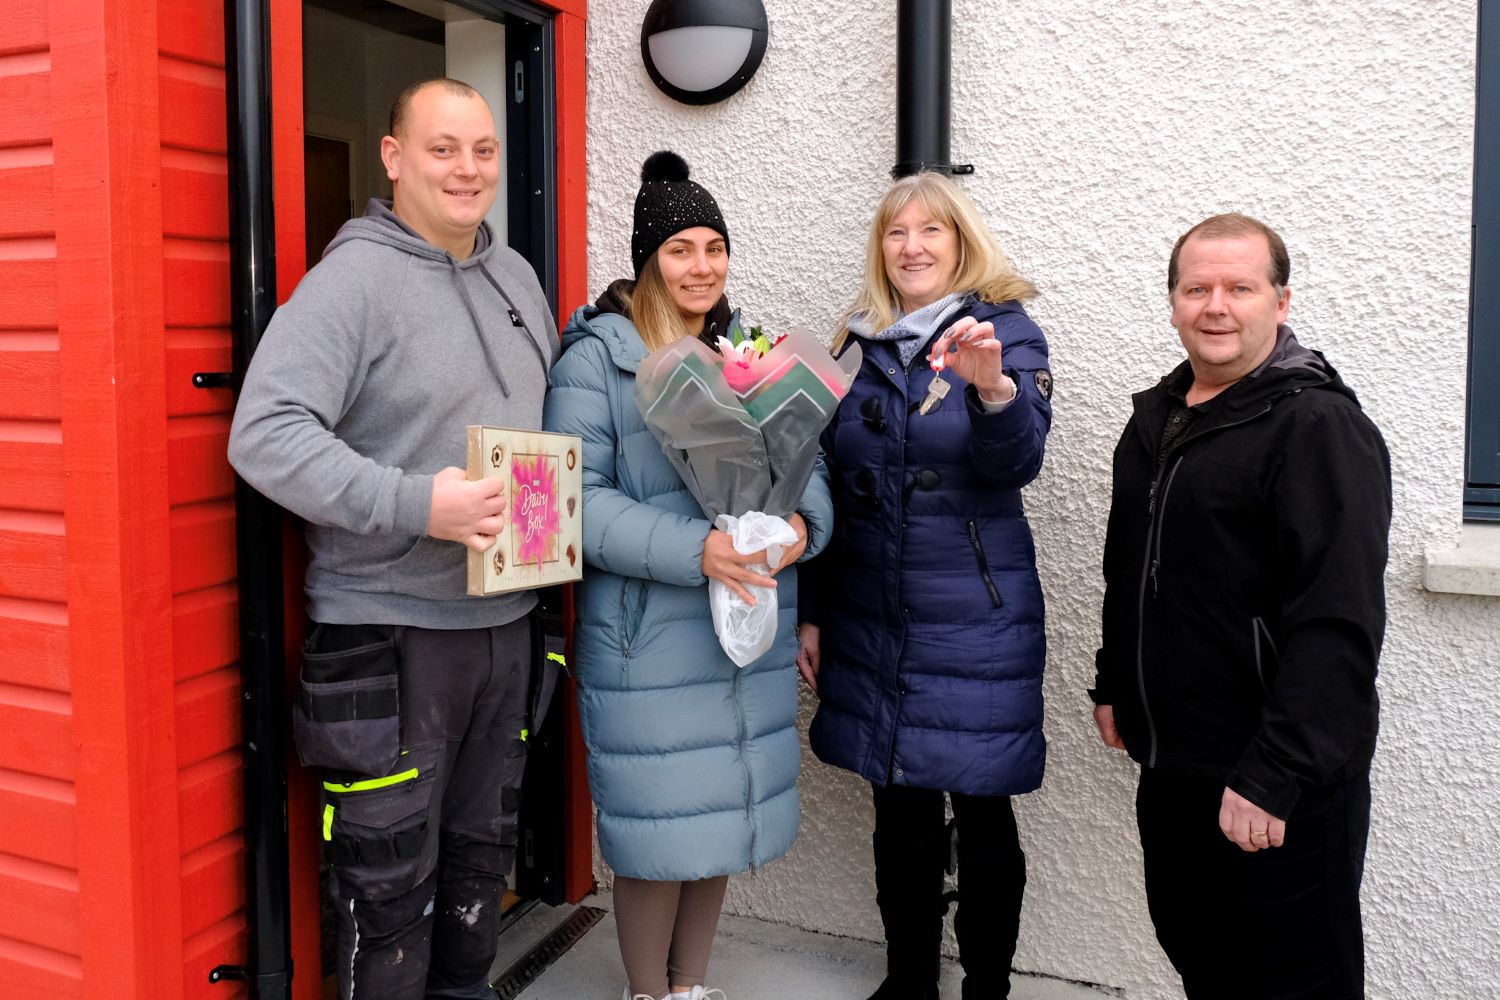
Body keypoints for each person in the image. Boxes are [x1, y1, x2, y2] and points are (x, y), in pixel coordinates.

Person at [227, 78, 557, 999]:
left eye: (483, 150)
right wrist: (419, 505)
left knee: (477, 871)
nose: (467, 169)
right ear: (394, 156)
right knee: (389, 895)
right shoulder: (352, 284)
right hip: (390, 638)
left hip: (505, 623)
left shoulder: (516, 277)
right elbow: (265, 436)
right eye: (442, 148)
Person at [542, 151, 832, 1000]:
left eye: (714, 246)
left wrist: (804, 528)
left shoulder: (751, 350)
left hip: (744, 622)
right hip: (649, 634)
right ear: (646, 262)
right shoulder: (599, 359)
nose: (701, 266)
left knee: (721, 812)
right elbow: (574, 502)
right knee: (659, 828)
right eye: (680, 250)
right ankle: (647, 989)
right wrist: (691, 549)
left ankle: (691, 985)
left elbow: (804, 463)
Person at [1091, 213, 1391, 999]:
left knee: (1293, 984)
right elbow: (1130, 566)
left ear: (1280, 302)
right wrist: (1114, 680)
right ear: (1173, 303)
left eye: (1239, 288)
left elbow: (1339, 622)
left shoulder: (1317, 426)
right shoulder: (1158, 419)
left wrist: (1275, 774)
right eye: (1197, 288)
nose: (1216, 306)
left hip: (1273, 779)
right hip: (1175, 765)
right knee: (1205, 964)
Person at [797, 171, 1053, 1000]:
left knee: (981, 813)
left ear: (960, 241)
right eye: (896, 233)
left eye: (930, 232)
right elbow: (827, 483)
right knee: (898, 815)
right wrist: (812, 611)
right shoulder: (855, 344)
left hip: (973, 617)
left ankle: (986, 987)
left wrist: (993, 390)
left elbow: (1019, 462)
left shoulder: (1006, 334)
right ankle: (909, 980)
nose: (911, 247)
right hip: (872, 613)